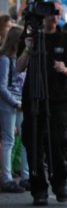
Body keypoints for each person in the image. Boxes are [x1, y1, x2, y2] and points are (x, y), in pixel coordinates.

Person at [17, 0, 67, 206]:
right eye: (51, 12)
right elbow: (19, 67)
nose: (54, 16)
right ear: (41, 15)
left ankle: (60, 185)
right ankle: (38, 189)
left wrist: (64, 69)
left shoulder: (66, 40)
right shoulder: (30, 38)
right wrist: (27, 49)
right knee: (33, 143)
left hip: (57, 100)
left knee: (56, 142)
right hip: (33, 99)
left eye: (58, 13)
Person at [0, 26, 25, 193]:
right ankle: (7, 178)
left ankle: (26, 175)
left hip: (21, 102)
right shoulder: (5, 59)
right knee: (9, 140)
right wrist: (14, 102)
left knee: (24, 140)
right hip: (9, 103)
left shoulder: (20, 58)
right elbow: (2, 86)